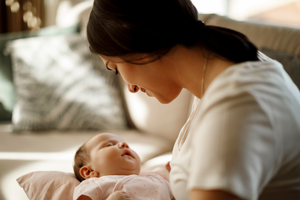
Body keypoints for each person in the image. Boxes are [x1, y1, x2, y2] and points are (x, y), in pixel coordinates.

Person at [86, 0, 300, 200]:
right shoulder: (223, 72)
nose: (130, 88)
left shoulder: (237, 100)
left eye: (115, 68)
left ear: (135, 42)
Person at [73, 133, 174, 200]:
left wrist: (176, 177)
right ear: (89, 171)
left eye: (127, 145)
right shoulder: (97, 184)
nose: (123, 144)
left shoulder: (158, 179)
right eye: (110, 144)